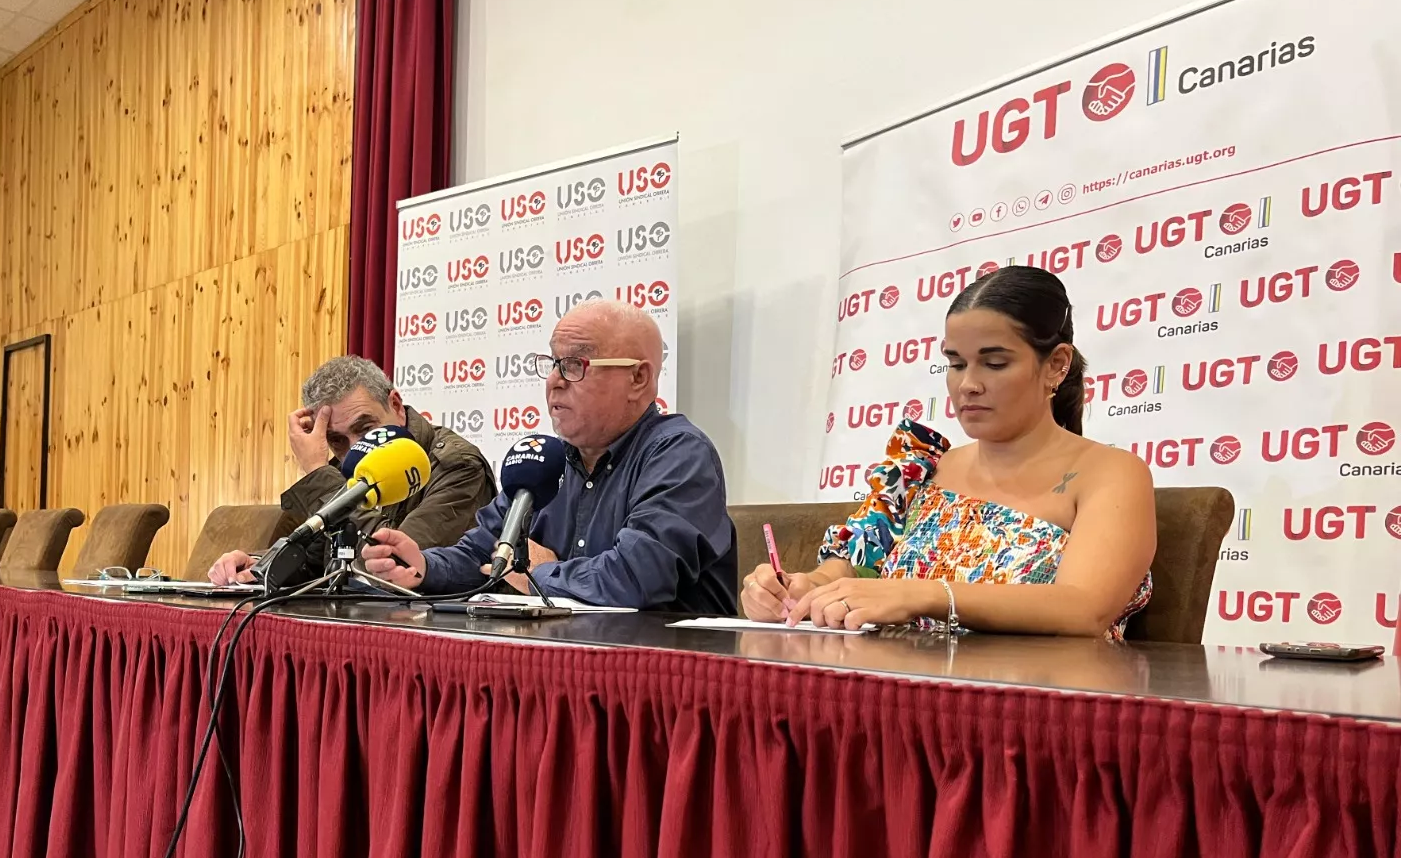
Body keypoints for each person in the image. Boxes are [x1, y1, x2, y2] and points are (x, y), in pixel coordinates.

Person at [742, 266, 1155, 638]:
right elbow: (848, 568)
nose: (968, 385)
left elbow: (1083, 608)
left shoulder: (1109, 473)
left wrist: (923, 595)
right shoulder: (918, 468)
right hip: (890, 683)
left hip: (1034, 692)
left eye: (995, 364)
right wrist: (799, 590)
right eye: (956, 364)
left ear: (1056, 365)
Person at [362, 300, 738, 613]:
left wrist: (538, 573)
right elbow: (484, 553)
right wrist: (425, 567)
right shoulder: (543, 463)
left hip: (658, 669)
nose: (554, 381)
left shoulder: (678, 453)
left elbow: (636, 578)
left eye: (574, 365)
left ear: (638, 379)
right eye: (553, 363)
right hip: (557, 659)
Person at [209, 355, 494, 584]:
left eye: (366, 428)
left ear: (395, 406)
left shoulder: (458, 464)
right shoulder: (343, 468)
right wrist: (260, 565)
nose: (357, 448)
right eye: (336, 440)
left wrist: (317, 473)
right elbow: (319, 560)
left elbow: (394, 567)